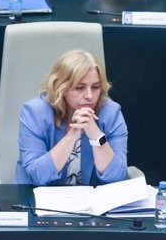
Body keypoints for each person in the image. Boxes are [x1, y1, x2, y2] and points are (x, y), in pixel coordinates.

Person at [16, 49, 128, 186]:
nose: (89, 96)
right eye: (80, 88)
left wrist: (96, 135)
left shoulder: (111, 113)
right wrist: (72, 136)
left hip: (91, 204)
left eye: (95, 87)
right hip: (37, 201)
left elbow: (117, 176)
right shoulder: (35, 113)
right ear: (61, 88)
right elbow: (37, 175)